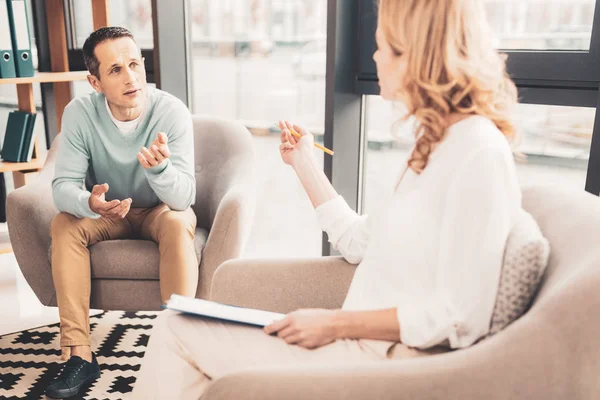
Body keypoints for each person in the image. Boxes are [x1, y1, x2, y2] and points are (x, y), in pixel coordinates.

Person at [132, 0, 522, 398]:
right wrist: (304, 164)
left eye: (383, 45)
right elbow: (357, 241)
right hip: (351, 346)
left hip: (385, 364)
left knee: (175, 333)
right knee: (180, 328)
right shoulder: (433, 144)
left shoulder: (478, 153)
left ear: (417, 55)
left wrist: (333, 325)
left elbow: (464, 316)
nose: (374, 56)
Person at [45, 27, 197, 399]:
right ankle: (79, 354)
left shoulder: (171, 111)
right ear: (94, 81)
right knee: (64, 225)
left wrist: (160, 171)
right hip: (108, 213)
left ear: (144, 65)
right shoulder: (80, 113)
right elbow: (62, 185)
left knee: (178, 225)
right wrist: (89, 203)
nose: (130, 77)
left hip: (159, 210)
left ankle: (179, 348)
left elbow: (184, 197)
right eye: (115, 70)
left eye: (134, 64)